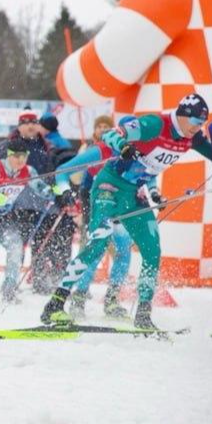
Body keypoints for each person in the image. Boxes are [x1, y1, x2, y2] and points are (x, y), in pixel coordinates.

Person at [41, 94, 212, 329]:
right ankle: (55, 304)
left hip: (135, 195)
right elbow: (111, 134)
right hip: (109, 187)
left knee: (152, 249)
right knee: (98, 242)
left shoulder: (192, 137)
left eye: (202, 124)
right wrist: (122, 146)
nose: (198, 128)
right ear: (183, 116)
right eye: (196, 122)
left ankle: (143, 315)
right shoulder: (156, 124)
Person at [54, 115, 131, 318]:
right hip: (94, 207)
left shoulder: (133, 152)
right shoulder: (95, 150)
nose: (104, 130)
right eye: (100, 127)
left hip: (120, 207)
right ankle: (79, 297)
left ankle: (112, 299)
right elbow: (78, 179)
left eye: (108, 126)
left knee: (123, 251)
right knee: (93, 252)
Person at [0, 137, 55, 303]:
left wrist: (53, 191)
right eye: (16, 156)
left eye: (24, 156)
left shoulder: (27, 171)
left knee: (16, 249)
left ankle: (9, 290)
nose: (20, 160)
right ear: (9, 155)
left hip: (5, 217)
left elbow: (41, 188)